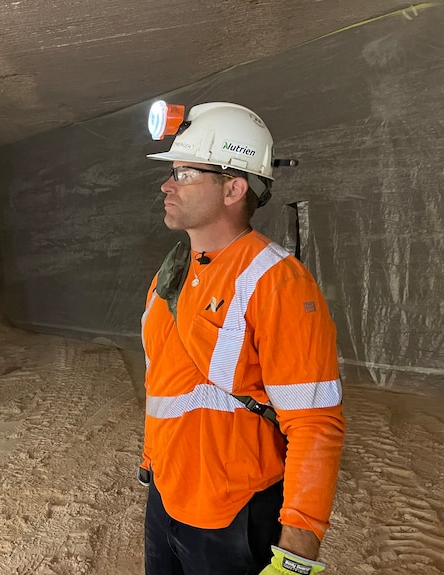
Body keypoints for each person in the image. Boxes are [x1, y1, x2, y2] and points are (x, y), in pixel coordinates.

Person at [138, 101, 346, 575]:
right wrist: (152, 464)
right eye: (172, 171)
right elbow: (165, 384)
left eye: (185, 173)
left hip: (234, 512)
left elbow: (315, 421)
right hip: (167, 496)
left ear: (233, 187)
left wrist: (296, 550)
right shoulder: (168, 277)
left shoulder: (278, 283)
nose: (167, 185)